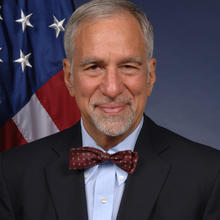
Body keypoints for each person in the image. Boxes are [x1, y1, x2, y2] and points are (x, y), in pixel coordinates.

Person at [1, 0, 220, 219]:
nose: (112, 88)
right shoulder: (11, 174)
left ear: (150, 76)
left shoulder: (210, 175)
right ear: (69, 77)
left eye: (128, 66)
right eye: (94, 67)